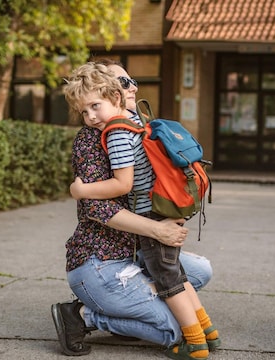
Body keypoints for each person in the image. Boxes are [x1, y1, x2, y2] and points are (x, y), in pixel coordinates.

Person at [51, 63, 215, 358]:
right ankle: (82, 316)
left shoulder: (139, 128)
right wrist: (156, 228)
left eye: (133, 80)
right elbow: (96, 206)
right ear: (111, 89)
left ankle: (133, 309)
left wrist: (173, 211)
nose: (133, 87)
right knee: (175, 331)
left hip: (135, 253)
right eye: (126, 81)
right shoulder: (93, 138)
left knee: (199, 272)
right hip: (101, 260)